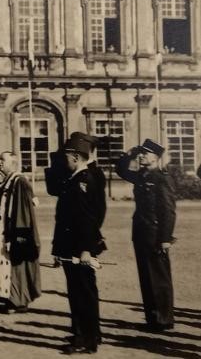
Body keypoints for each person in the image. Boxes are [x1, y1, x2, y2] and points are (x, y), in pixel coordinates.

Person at [52, 134, 105, 355]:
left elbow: (89, 218)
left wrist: (85, 248)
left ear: (75, 157)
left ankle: (85, 339)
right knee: (80, 291)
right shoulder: (77, 177)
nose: (64, 160)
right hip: (71, 245)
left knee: (82, 293)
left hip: (79, 247)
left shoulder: (84, 180)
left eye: (66, 156)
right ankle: (88, 333)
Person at [115, 139, 176, 331]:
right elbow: (121, 171)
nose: (142, 156)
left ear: (156, 157)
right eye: (141, 153)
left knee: (159, 277)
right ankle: (153, 318)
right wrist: (130, 154)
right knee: (146, 276)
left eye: (146, 153)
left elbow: (168, 210)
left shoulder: (162, 178)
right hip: (141, 231)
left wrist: (166, 238)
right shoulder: (142, 175)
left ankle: (164, 319)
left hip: (156, 233)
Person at [0, 151, 41, 313]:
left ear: (13, 163)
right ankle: (10, 297)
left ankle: (18, 300)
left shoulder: (19, 182)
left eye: (2, 160)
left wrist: (16, 235)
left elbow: (23, 210)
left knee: (17, 264)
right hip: (2, 229)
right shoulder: (7, 181)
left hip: (16, 230)